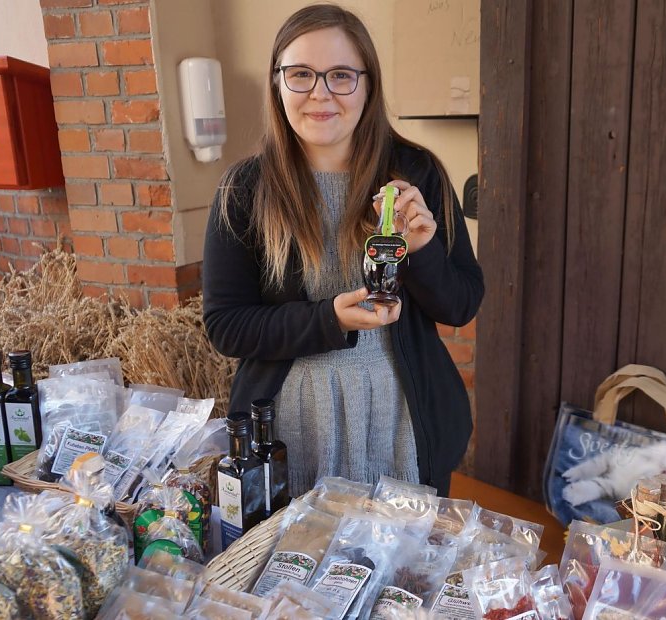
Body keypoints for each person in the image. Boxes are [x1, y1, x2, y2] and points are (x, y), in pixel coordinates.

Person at [202, 4, 484, 498]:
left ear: (368, 84)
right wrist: (328, 320)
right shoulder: (245, 189)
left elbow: (460, 304)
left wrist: (422, 251)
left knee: (404, 568)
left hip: (403, 423)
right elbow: (227, 325)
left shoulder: (418, 174)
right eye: (301, 75)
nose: (320, 93)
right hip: (291, 429)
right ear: (277, 83)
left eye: (340, 76)